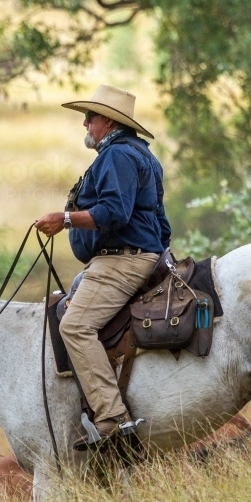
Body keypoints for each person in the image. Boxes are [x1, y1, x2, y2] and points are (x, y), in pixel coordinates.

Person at [34, 84, 171, 450]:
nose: (85, 124)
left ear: (107, 121)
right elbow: (158, 219)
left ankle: (112, 419)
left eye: (90, 117)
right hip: (136, 255)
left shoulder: (117, 157)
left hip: (124, 260)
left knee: (75, 325)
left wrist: (63, 220)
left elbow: (114, 212)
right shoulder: (139, 153)